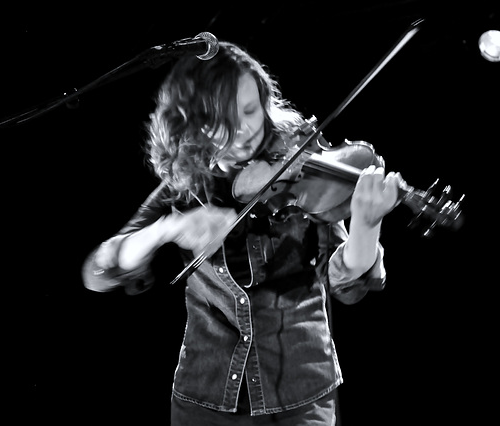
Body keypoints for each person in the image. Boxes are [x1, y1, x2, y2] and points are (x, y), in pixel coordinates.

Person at [81, 40, 404, 425]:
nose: (249, 128)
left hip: (300, 395)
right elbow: (98, 274)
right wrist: (168, 229)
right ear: (197, 123)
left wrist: (367, 228)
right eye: (229, 119)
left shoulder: (300, 165)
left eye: (253, 109)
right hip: (207, 399)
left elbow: (345, 285)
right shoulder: (186, 185)